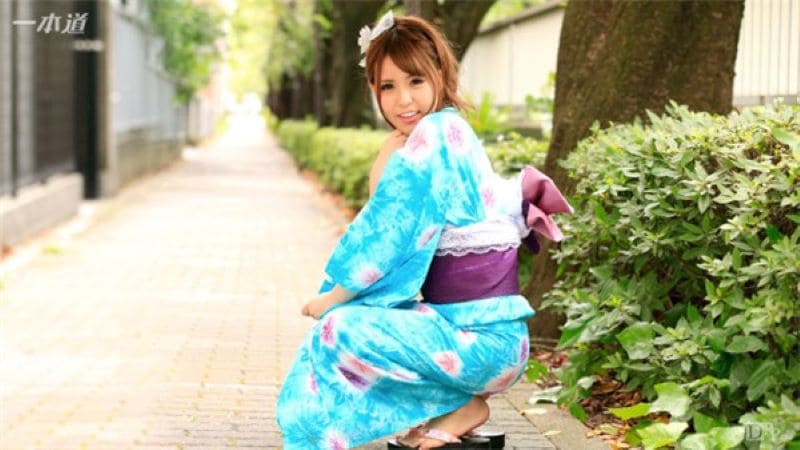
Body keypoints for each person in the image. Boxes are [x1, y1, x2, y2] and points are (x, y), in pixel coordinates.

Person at [276, 11, 573, 450]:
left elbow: (388, 232)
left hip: (481, 343)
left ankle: (454, 408)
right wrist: (386, 160)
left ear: (440, 75)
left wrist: (334, 296)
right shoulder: (451, 129)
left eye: (415, 81)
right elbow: (393, 215)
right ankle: (455, 408)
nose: (403, 100)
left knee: (337, 329)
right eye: (387, 87)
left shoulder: (435, 134)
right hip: (486, 340)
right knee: (356, 323)